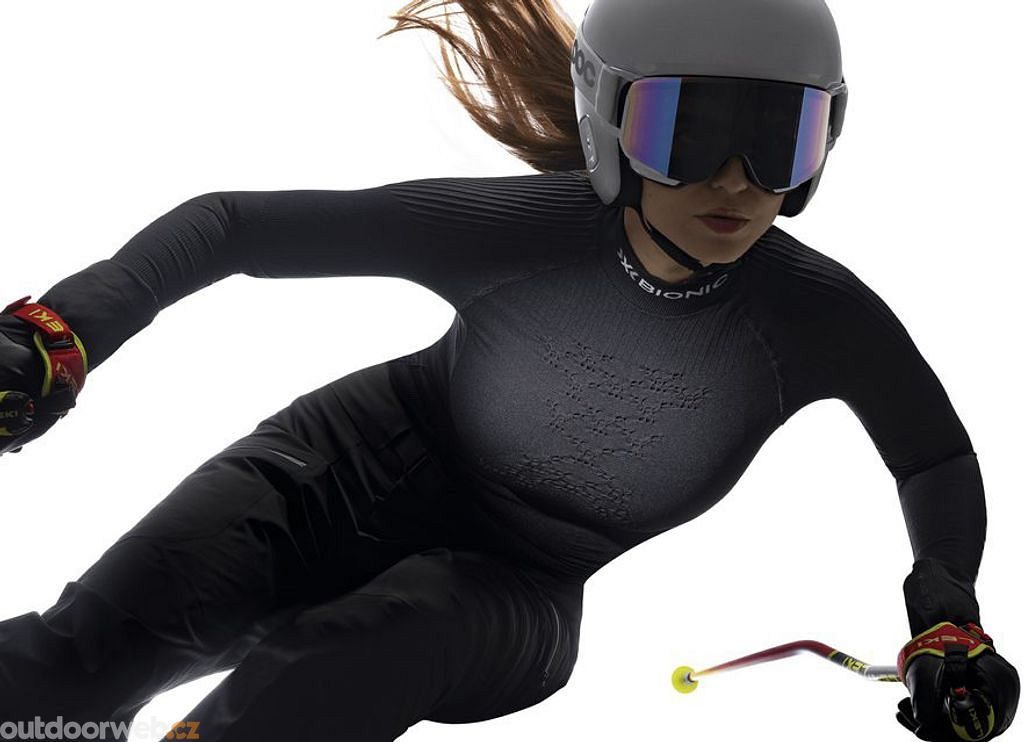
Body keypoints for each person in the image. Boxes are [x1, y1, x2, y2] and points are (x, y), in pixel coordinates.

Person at [0, 0, 1018, 740]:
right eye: (690, 132)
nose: (736, 183)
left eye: (778, 142)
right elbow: (232, 226)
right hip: (331, 471)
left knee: (362, 649)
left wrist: (947, 615)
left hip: (516, 593)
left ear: (827, 138)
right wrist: (66, 329)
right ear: (606, 119)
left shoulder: (820, 315)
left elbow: (931, 458)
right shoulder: (514, 230)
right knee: (66, 679)